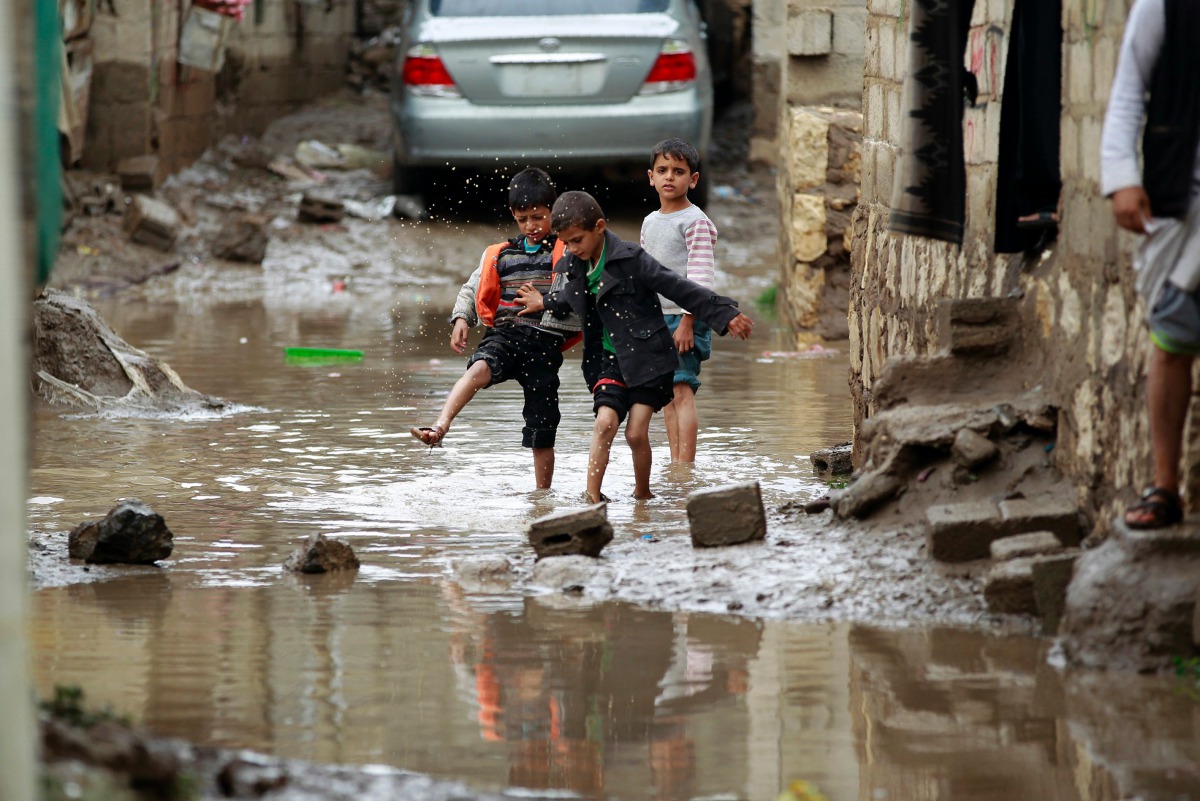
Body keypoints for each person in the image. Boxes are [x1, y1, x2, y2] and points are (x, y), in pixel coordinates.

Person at [517, 191, 753, 504]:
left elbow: (677, 286)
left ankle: (643, 497)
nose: (572, 249)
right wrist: (543, 301)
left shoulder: (631, 259)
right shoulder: (576, 263)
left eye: (576, 240)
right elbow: (572, 297)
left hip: (648, 359)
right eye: (567, 243)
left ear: (599, 226)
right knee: (604, 424)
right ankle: (591, 498)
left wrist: (723, 312)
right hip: (611, 359)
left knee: (635, 433)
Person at [411, 167, 577, 490]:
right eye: (523, 218)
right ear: (514, 216)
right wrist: (461, 318)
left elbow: (580, 294)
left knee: (542, 429)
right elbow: (473, 288)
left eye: (539, 217)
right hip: (505, 334)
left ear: (553, 213)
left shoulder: (566, 253)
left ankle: (541, 497)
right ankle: (440, 426)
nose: (531, 226)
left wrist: (544, 302)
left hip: (544, 343)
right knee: (478, 369)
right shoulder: (502, 254)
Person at [1100, 0, 1200, 528]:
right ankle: (1166, 486)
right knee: (1172, 337)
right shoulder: (1165, 6)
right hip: (1183, 199)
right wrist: (1122, 176)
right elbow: (1127, 90)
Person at [640, 138, 717, 464]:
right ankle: (676, 464)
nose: (670, 177)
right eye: (663, 170)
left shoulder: (694, 221)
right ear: (651, 177)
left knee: (682, 390)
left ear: (693, 179)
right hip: (656, 319)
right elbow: (643, 272)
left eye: (679, 171)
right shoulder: (650, 221)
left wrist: (688, 320)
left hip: (684, 318)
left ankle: (686, 466)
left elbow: (700, 274)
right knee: (667, 396)